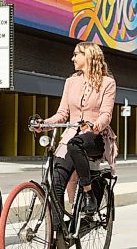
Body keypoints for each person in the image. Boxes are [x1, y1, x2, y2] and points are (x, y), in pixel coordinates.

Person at [36, 41, 117, 221]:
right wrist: (44, 124)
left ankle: (88, 193)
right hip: (70, 136)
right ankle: (56, 236)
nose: (72, 58)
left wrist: (94, 125)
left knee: (75, 145)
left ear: (88, 56)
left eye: (76, 54)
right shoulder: (71, 82)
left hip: (94, 137)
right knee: (56, 181)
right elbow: (63, 113)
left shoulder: (107, 83)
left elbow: (106, 114)